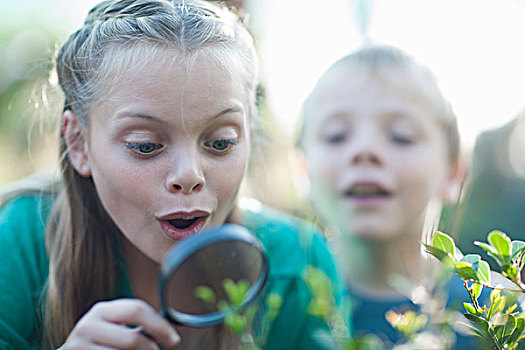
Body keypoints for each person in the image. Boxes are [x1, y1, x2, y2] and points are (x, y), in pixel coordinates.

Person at [0, 1, 342, 349]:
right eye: (145, 145)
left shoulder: (299, 266)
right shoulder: (17, 244)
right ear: (78, 144)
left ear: (250, 135)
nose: (188, 175)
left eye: (221, 142)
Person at [297, 44, 484, 349]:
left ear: (453, 174)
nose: (364, 150)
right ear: (303, 170)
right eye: (336, 135)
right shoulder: (272, 310)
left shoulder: (496, 317)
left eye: (401, 135)